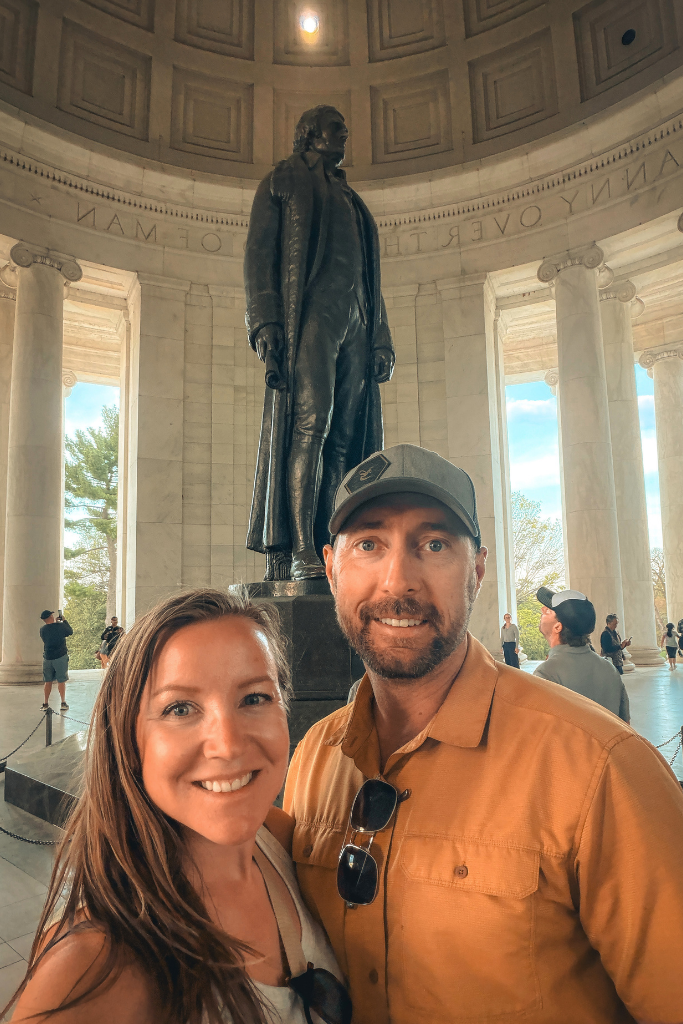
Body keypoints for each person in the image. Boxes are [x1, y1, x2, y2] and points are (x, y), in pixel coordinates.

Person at [283, 442, 683, 1024]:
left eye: (434, 544)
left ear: (477, 569)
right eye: (369, 544)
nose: (399, 581)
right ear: (331, 568)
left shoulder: (602, 769)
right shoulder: (314, 758)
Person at [8, 589, 348, 1024]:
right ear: (128, 738)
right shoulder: (90, 972)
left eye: (255, 698)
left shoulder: (280, 839)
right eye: (180, 708)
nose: (227, 745)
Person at [244, 104, 394, 581]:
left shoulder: (353, 200)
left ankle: (333, 548)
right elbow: (259, 255)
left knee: (345, 443)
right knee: (310, 428)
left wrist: (381, 339)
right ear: (310, 133)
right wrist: (265, 320)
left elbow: (371, 281)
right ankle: (301, 549)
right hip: (310, 315)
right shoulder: (283, 179)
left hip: (355, 320)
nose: (344, 133)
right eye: (336, 127)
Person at [535, 590, 630, 722]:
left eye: (548, 611)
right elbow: (626, 727)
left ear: (558, 627)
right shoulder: (610, 670)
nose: (542, 609)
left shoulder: (546, 674)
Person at [39, 609, 73, 711]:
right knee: (61, 680)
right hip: (60, 656)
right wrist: (64, 621)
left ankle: (45, 704)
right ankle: (63, 702)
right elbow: (70, 632)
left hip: (48, 657)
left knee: (47, 681)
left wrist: (58, 624)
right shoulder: (60, 626)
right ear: (50, 617)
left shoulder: (42, 629)